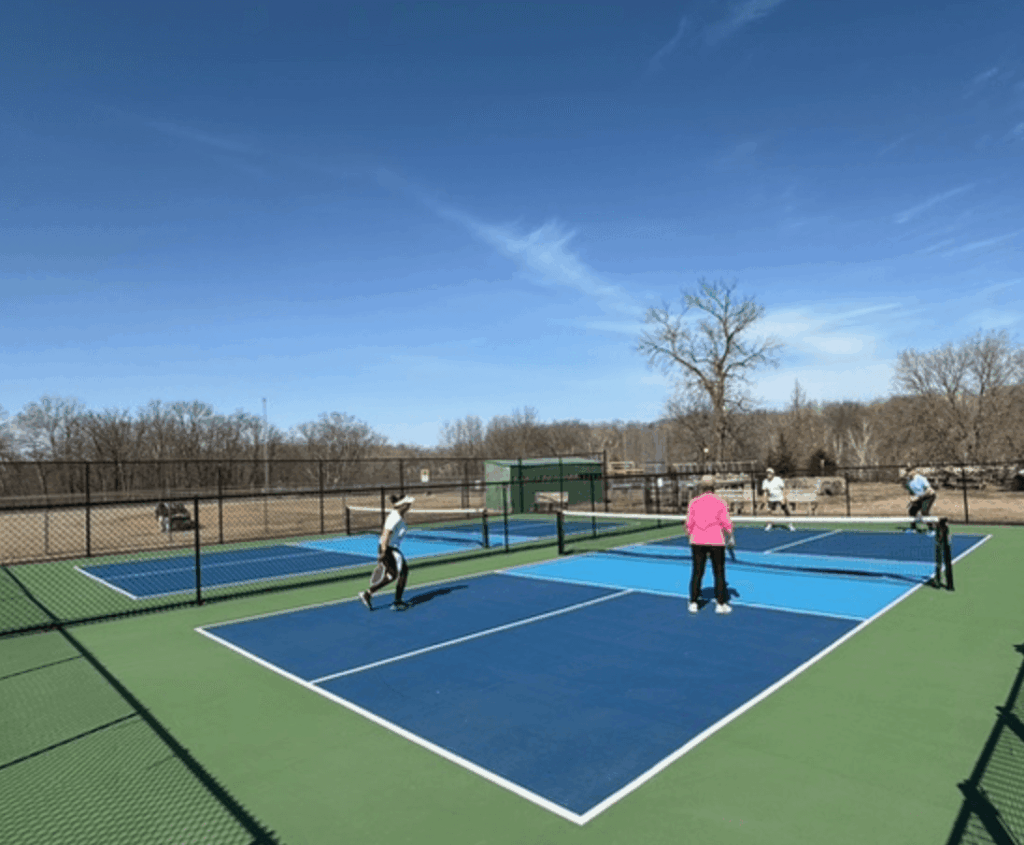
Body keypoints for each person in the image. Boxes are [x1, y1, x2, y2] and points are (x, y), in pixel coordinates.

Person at [685, 475, 735, 615]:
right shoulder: (720, 502)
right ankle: (720, 604)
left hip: (697, 541)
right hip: (716, 541)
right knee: (719, 573)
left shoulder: (694, 502)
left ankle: (693, 602)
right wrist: (730, 536)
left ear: (701, 487)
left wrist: (691, 535)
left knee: (697, 572)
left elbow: (689, 523)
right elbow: (726, 523)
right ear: (714, 487)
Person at [358, 494, 415, 611]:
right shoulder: (395, 517)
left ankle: (395, 600)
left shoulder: (399, 516)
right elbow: (385, 533)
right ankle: (368, 594)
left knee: (403, 572)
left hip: (392, 549)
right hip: (388, 549)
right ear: (402, 505)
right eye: (408, 504)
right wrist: (383, 552)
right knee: (392, 576)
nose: (410, 505)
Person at [901, 466, 937, 533]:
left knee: (924, 512)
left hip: (929, 496)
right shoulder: (908, 482)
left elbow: (929, 490)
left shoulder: (921, 478)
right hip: (920, 497)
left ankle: (932, 529)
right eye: (907, 471)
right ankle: (913, 528)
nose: (908, 472)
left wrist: (918, 497)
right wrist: (912, 498)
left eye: (910, 470)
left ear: (914, 471)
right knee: (912, 511)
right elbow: (911, 492)